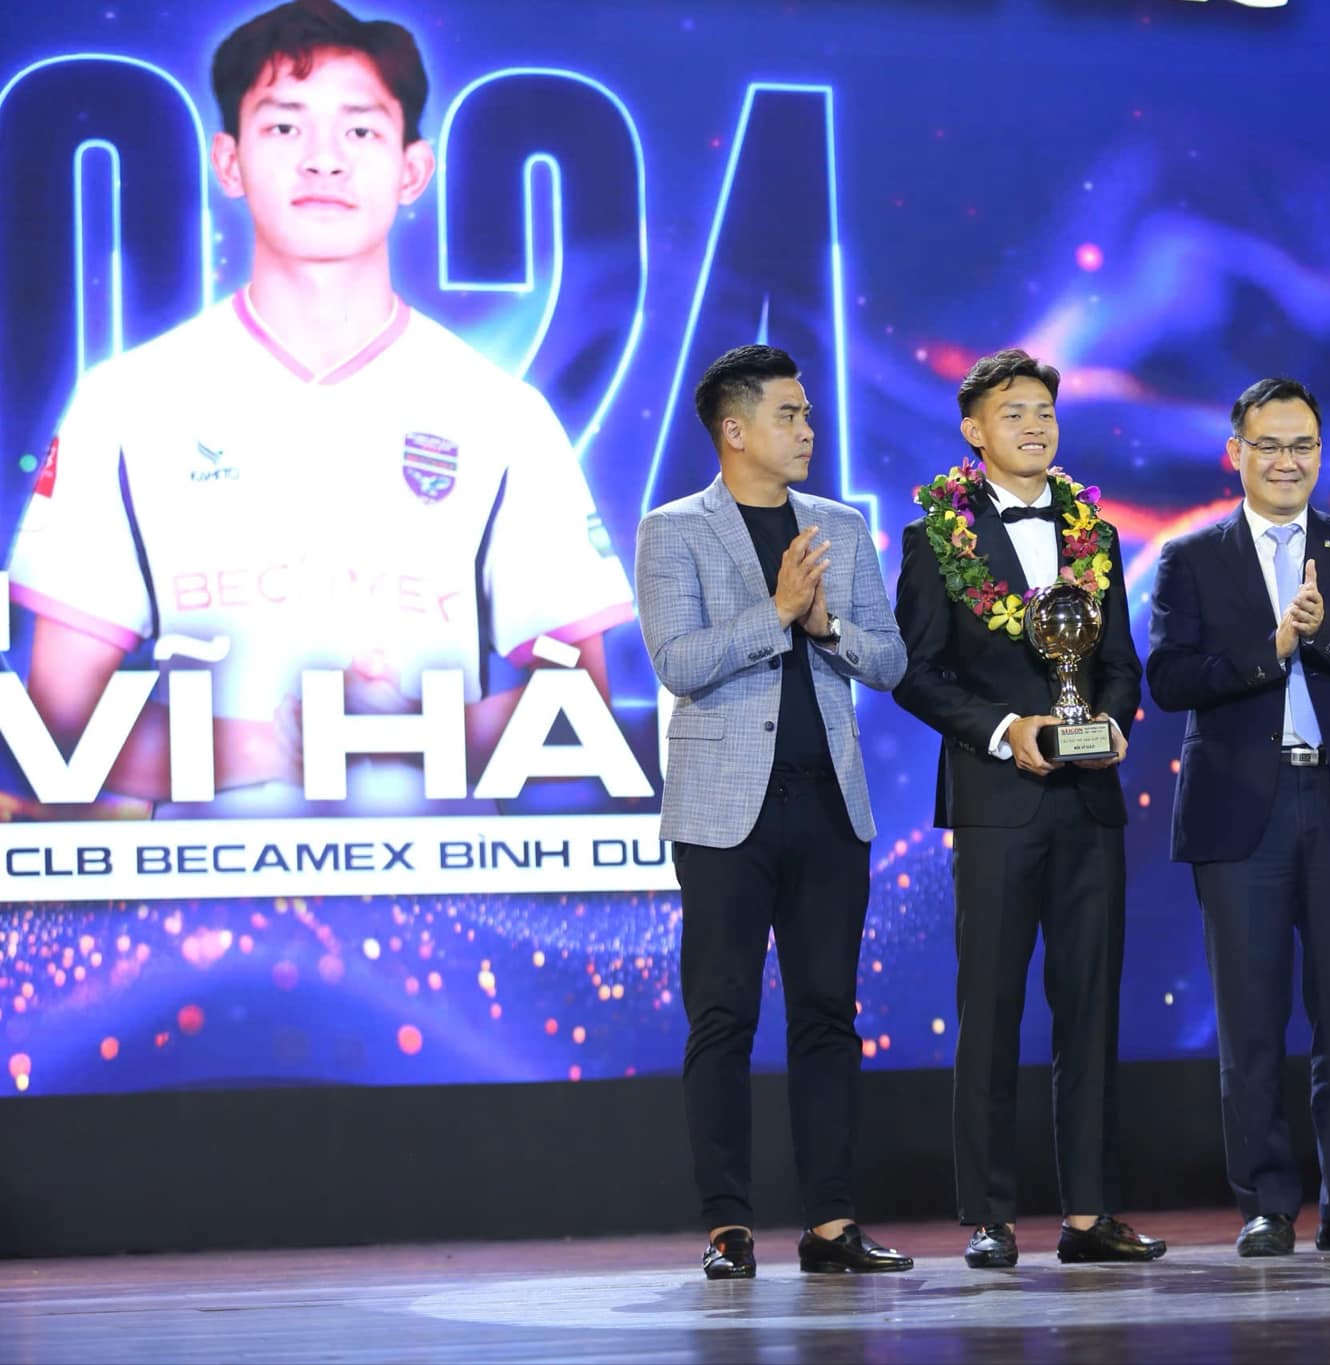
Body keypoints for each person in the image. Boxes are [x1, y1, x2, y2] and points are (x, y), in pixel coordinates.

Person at [6, 0, 632, 818]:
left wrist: (404, 727)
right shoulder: (125, 403)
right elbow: (60, 724)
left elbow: (575, 718)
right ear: (228, 161)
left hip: (449, 914)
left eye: (362, 130)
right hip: (193, 922)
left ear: (414, 170)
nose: (324, 161)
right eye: (284, 128)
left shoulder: (502, 415)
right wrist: (289, 739)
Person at [636, 344, 910, 1280]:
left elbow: (893, 660)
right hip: (724, 811)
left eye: (806, 413)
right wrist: (781, 610)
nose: (807, 428)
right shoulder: (674, 530)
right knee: (723, 1014)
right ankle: (727, 1223)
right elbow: (677, 661)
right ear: (734, 429)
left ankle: (832, 1223)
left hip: (829, 800)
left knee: (829, 1011)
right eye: (789, 414)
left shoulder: (841, 524)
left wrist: (828, 625)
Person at [893, 348, 1164, 1268]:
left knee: (1091, 1009)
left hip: (1090, 799)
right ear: (974, 431)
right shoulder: (936, 536)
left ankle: (1090, 1213)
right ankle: (989, 1214)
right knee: (992, 1008)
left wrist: (1115, 721)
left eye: (1045, 410)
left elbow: (1121, 662)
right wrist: (1006, 725)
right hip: (997, 799)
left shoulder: (1096, 531)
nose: (1035, 425)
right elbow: (915, 673)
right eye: (1014, 412)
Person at [1146, 377, 1330, 1258]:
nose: (1287, 460)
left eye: (1303, 444)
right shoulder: (1193, 558)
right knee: (1252, 1026)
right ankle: (1266, 1202)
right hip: (1241, 814)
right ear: (1236, 453)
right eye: (1269, 444)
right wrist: (1271, 651)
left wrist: (1321, 634)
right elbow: (1170, 680)